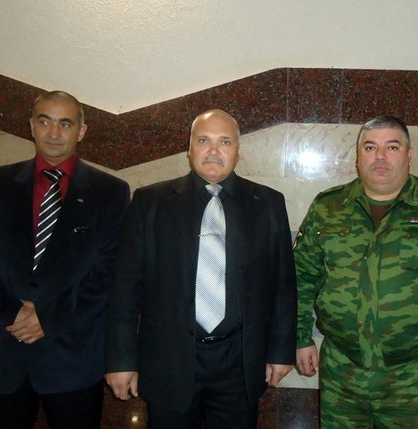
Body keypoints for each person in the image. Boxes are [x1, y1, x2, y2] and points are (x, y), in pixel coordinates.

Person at [105, 109, 297, 428]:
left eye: (225, 142)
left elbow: (283, 285)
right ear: (189, 148)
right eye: (204, 140)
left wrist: (280, 351)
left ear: (238, 151)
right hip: (168, 360)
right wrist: (121, 360)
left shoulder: (267, 203)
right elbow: (125, 288)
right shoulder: (150, 202)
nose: (213, 150)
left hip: (239, 362)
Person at [294, 114, 418, 429]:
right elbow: (300, 277)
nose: (380, 156)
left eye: (392, 147)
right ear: (358, 157)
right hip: (342, 371)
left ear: (409, 155)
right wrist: (300, 337)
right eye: (370, 147)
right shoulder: (328, 207)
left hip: (412, 375)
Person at [0, 90, 130, 429]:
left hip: (73, 359)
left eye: (65, 124)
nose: (54, 133)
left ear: (81, 131)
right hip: (4, 354)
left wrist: (49, 317)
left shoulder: (110, 192)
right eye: (45, 122)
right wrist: (10, 312)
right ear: (31, 126)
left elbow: (110, 272)